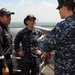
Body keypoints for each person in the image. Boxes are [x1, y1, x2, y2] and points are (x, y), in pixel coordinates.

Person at [36, 0, 75, 75]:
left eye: (59, 8)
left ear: (63, 7)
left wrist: (40, 39)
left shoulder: (63, 25)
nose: (59, 11)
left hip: (65, 70)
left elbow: (46, 46)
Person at [0, 8, 15, 75]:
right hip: (3, 61)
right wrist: (4, 66)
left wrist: (10, 53)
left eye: (10, 16)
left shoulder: (7, 28)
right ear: (1, 17)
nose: (10, 18)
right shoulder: (0, 29)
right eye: (7, 16)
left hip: (9, 59)